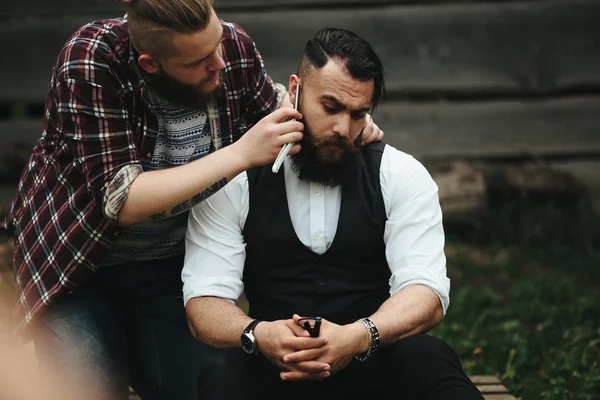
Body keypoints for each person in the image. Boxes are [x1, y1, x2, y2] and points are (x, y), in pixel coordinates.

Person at [0, 1, 383, 399]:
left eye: (217, 44)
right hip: (80, 267)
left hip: (172, 267)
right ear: (151, 64)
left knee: (202, 386)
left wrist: (342, 120)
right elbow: (121, 200)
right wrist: (239, 154)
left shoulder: (232, 48)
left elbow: (279, 108)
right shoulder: (91, 60)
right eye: (199, 62)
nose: (219, 62)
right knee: (85, 390)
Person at [183, 28, 485, 400]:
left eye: (359, 113)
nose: (343, 128)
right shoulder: (237, 178)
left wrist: (359, 335)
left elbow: (426, 292)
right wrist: (260, 334)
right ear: (294, 90)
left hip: (368, 367)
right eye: (330, 107)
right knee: (217, 367)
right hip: (273, 373)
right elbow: (204, 303)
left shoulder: (400, 174)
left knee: (429, 356)